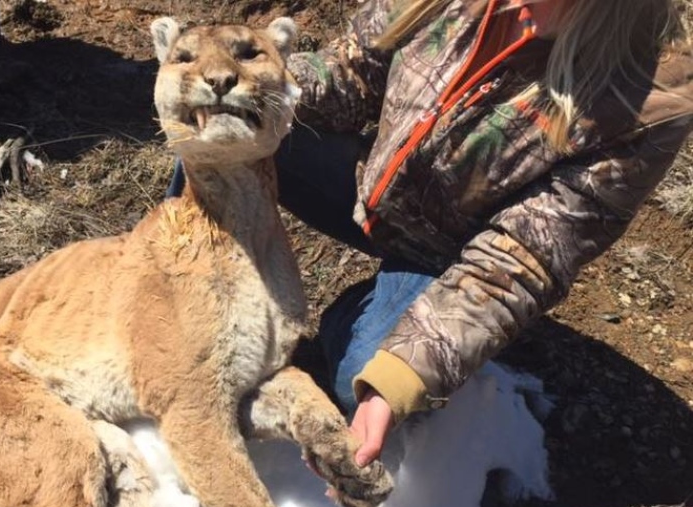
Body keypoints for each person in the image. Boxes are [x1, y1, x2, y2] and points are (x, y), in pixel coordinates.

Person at [168, 0, 693, 466]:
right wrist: (244, 83)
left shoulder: (654, 91)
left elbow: (525, 254)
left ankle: (358, 316)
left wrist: (400, 373)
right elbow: (352, 72)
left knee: (367, 383)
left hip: (457, 258)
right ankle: (170, 293)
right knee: (218, 134)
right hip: (367, 190)